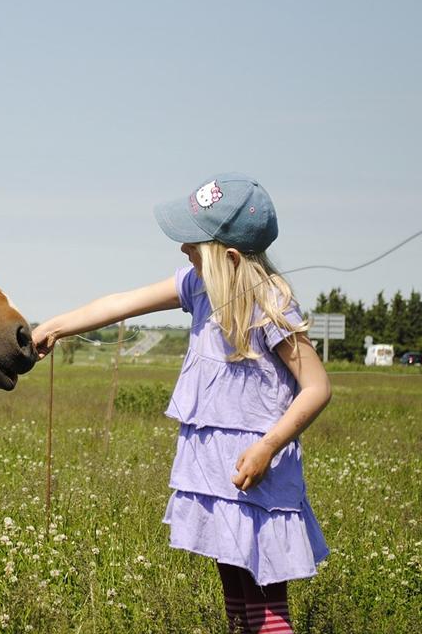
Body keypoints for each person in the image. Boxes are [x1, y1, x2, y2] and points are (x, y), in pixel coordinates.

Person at [32, 173, 330, 634]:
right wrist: (55, 325)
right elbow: (121, 302)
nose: (183, 249)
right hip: (214, 469)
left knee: (267, 605)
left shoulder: (270, 305)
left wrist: (269, 447)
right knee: (235, 591)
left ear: (229, 257)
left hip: (257, 472)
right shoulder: (198, 287)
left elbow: (316, 387)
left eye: (193, 242)